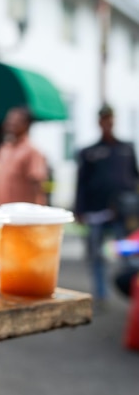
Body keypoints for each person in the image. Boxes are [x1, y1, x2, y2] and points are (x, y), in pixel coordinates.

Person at [75, 104, 139, 303]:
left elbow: (134, 177)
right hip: (97, 212)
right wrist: (79, 210)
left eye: (110, 118)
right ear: (99, 122)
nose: (107, 123)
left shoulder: (126, 149)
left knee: (127, 254)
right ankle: (101, 294)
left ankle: (128, 288)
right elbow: (82, 183)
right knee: (96, 255)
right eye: (104, 119)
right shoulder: (89, 152)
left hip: (121, 214)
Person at [0, 106, 48, 206]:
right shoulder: (4, 149)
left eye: (15, 121)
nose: (10, 124)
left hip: (22, 215)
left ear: (26, 124)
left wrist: (39, 211)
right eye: (9, 120)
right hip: (2, 211)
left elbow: (37, 185)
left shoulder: (32, 151)